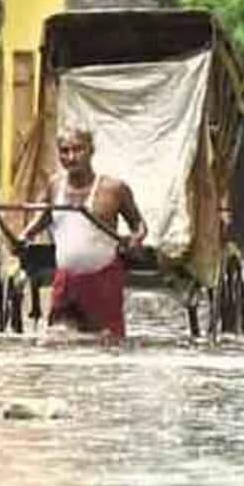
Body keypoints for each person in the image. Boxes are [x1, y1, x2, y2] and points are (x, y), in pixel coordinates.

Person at [18, 127, 147, 342]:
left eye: (78, 150)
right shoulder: (54, 186)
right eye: (64, 151)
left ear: (91, 151)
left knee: (107, 342)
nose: (71, 157)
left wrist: (136, 239)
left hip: (103, 281)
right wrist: (25, 236)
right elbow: (44, 217)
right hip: (66, 282)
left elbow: (138, 224)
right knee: (56, 341)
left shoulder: (114, 189)